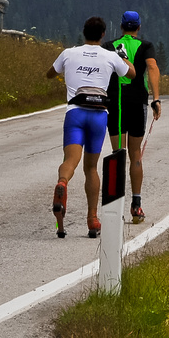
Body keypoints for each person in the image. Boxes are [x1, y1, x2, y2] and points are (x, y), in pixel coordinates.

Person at [45, 17, 130, 239]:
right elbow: (131, 74)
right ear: (103, 35)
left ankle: (62, 183)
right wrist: (123, 57)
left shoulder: (69, 53)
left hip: (75, 112)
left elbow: (50, 73)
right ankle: (92, 219)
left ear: (83, 33)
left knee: (70, 161)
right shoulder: (110, 56)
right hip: (99, 115)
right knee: (91, 168)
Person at [105, 10, 162, 224]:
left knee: (117, 153)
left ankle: (113, 208)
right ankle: (136, 205)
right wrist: (156, 98)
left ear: (121, 27)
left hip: (116, 102)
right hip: (138, 102)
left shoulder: (110, 46)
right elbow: (153, 68)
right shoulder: (146, 46)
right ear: (138, 27)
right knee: (135, 154)